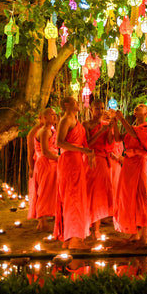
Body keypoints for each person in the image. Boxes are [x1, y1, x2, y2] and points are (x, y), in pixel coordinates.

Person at [53, 96, 93, 250]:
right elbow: (59, 143)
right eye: (75, 102)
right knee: (72, 197)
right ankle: (74, 239)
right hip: (69, 160)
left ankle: (70, 237)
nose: (78, 104)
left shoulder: (76, 120)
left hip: (77, 161)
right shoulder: (66, 120)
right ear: (66, 104)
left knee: (76, 196)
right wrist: (81, 149)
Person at [114, 104, 147, 244]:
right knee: (128, 196)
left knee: (141, 196)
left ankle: (144, 233)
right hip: (129, 163)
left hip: (140, 162)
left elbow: (133, 134)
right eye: (136, 107)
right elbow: (119, 138)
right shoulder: (132, 126)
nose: (137, 107)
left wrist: (122, 119)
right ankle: (133, 231)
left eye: (141, 106)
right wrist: (114, 123)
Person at [83, 100, 115, 239]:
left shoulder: (106, 125)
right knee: (89, 193)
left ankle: (97, 228)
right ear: (91, 109)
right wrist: (99, 132)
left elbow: (109, 142)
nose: (100, 111)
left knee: (100, 194)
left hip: (102, 160)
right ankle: (86, 225)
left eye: (102, 108)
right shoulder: (86, 124)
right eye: (97, 108)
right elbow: (87, 144)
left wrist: (111, 128)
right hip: (90, 159)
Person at [28, 107, 59, 231]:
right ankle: (42, 221)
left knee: (51, 190)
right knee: (44, 191)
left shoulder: (51, 130)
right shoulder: (44, 131)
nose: (54, 117)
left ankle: (47, 217)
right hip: (45, 162)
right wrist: (59, 158)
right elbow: (45, 151)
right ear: (43, 117)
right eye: (51, 115)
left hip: (51, 162)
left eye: (55, 114)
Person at [26, 113, 44, 219]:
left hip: (51, 163)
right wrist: (31, 167)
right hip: (39, 163)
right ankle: (40, 215)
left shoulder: (52, 130)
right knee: (40, 190)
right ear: (41, 118)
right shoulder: (34, 132)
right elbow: (30, 151)